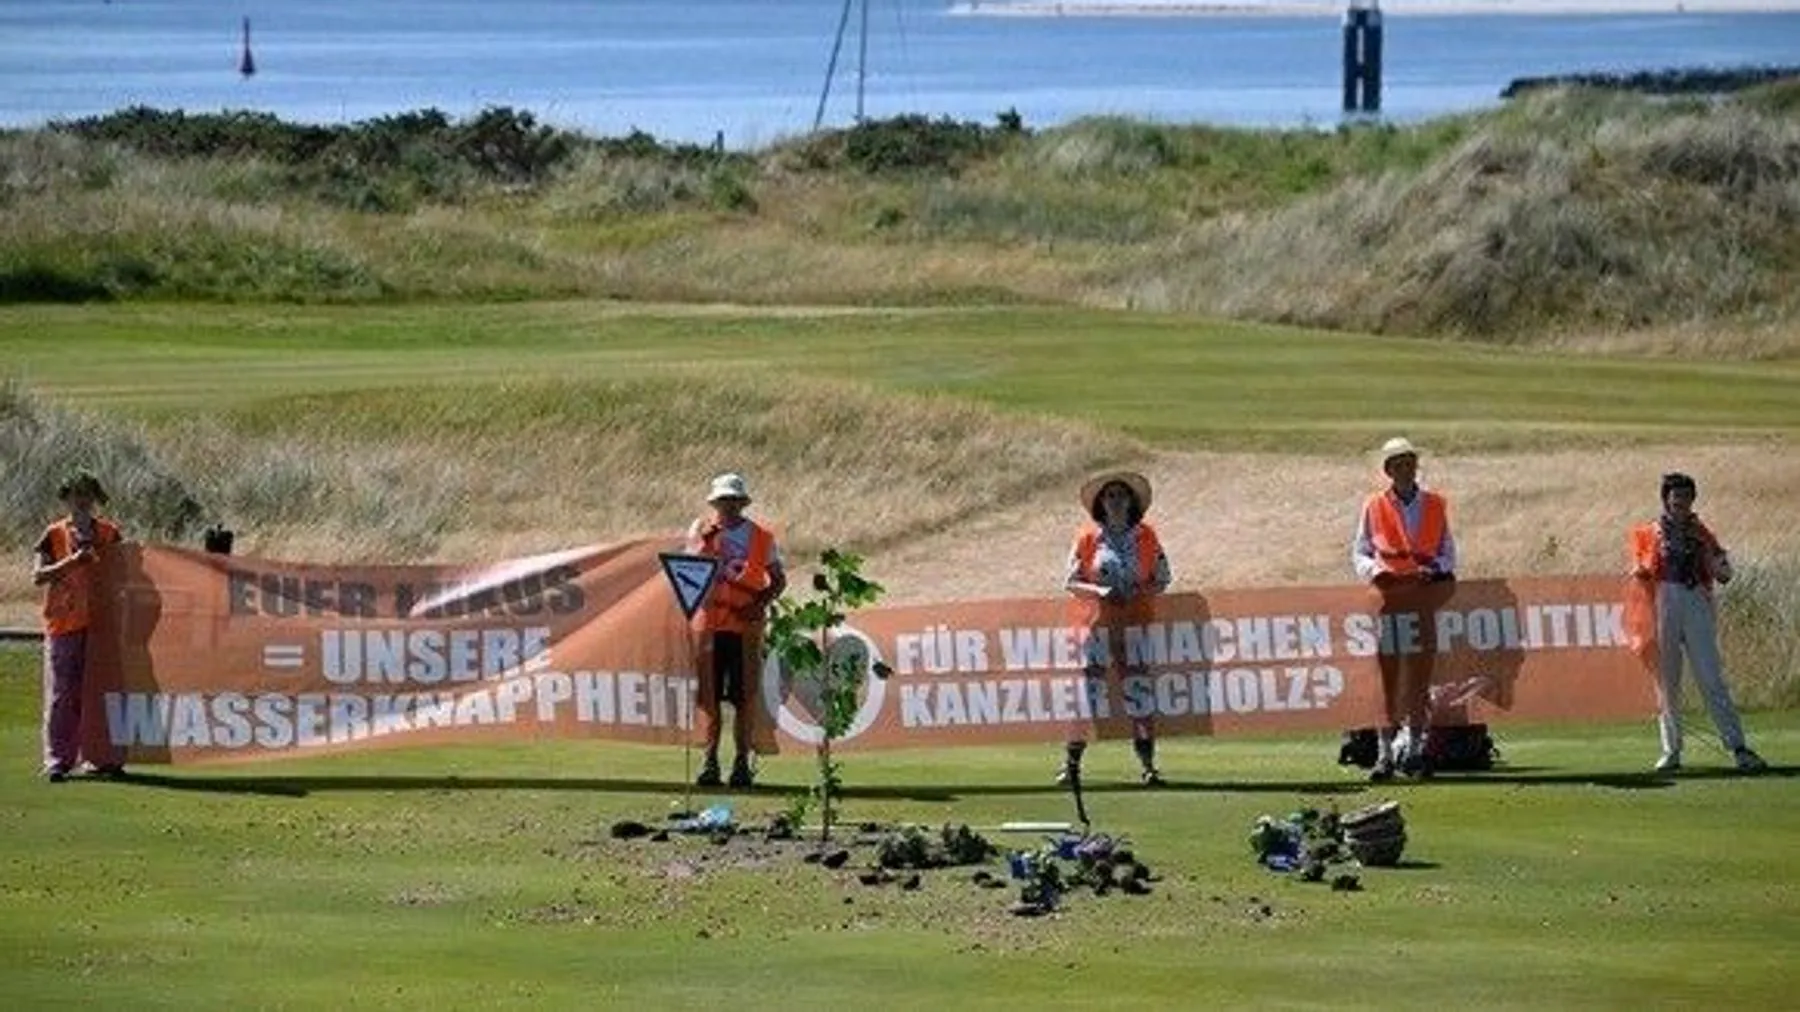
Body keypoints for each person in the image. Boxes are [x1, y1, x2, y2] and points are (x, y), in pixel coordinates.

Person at [1628, 472, 1767, 775]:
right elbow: (1638, 567)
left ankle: (1738, 747)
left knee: (1711, 678)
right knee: (1666, 683)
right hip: (1661, 601)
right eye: (1676, 496)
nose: (1681, 502)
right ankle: (1671, 749)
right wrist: (1639, 571)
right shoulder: (1648, 532)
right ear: (1666, 498)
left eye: (1686, 497)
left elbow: (1723, 572)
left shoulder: (1702, 533)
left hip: (1694, 601)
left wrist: (1719, 564)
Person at [1352, 437, 1457, 782]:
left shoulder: (1435, 505)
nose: (1405, 468)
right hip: (1387, 602)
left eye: (1409, 462)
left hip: (1422, 599)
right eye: (1398, 463)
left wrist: (1436, 569)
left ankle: (1413, 750)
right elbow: (1361, 552)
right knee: (1387, 679)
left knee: (1419, 677)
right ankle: (1384, 754)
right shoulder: (1374, 506)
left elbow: (1448, 552)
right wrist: (1374, 571)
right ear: (1388, 470)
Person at [1060, 470, 1172, 787]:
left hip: (1135, 626)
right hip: (1096, 628)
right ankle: (1071, 765)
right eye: (1110, 496)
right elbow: (1070, 581)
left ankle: (1148, 766)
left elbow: (1164, 578)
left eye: (1121, 495)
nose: (1116, 501)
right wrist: (1101, 592)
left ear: (1131, 501)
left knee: (1138, 695)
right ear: (1101, 503)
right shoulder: (1087, 537)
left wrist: (1139, 591)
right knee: (1088, 695)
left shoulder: (1147, 536)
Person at [686, 473, 786, 789]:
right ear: (713, 503)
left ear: (742, 503)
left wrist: (760, 603)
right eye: (721, 501)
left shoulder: (761, 537)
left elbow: (778, 579)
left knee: (744, 697)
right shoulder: (699, 531)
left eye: (732, 500)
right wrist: (704, 542)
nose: (727, 506)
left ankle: (741, 763)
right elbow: (687, 575)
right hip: (709, 628)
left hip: (745, 628)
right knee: (709, 697)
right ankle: (710, 762)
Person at [33, 470, 126, 783]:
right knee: (62, 693)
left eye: (87, 493)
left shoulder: (110, 533)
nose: (82, 499)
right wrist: (73, 562)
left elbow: (127, 574)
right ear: (67, 497)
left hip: (103, 626)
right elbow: (38, 575)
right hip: (63, 622)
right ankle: (58, 760)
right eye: (76, 493)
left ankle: (101, 757)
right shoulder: (54, 533)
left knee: (101, 692)